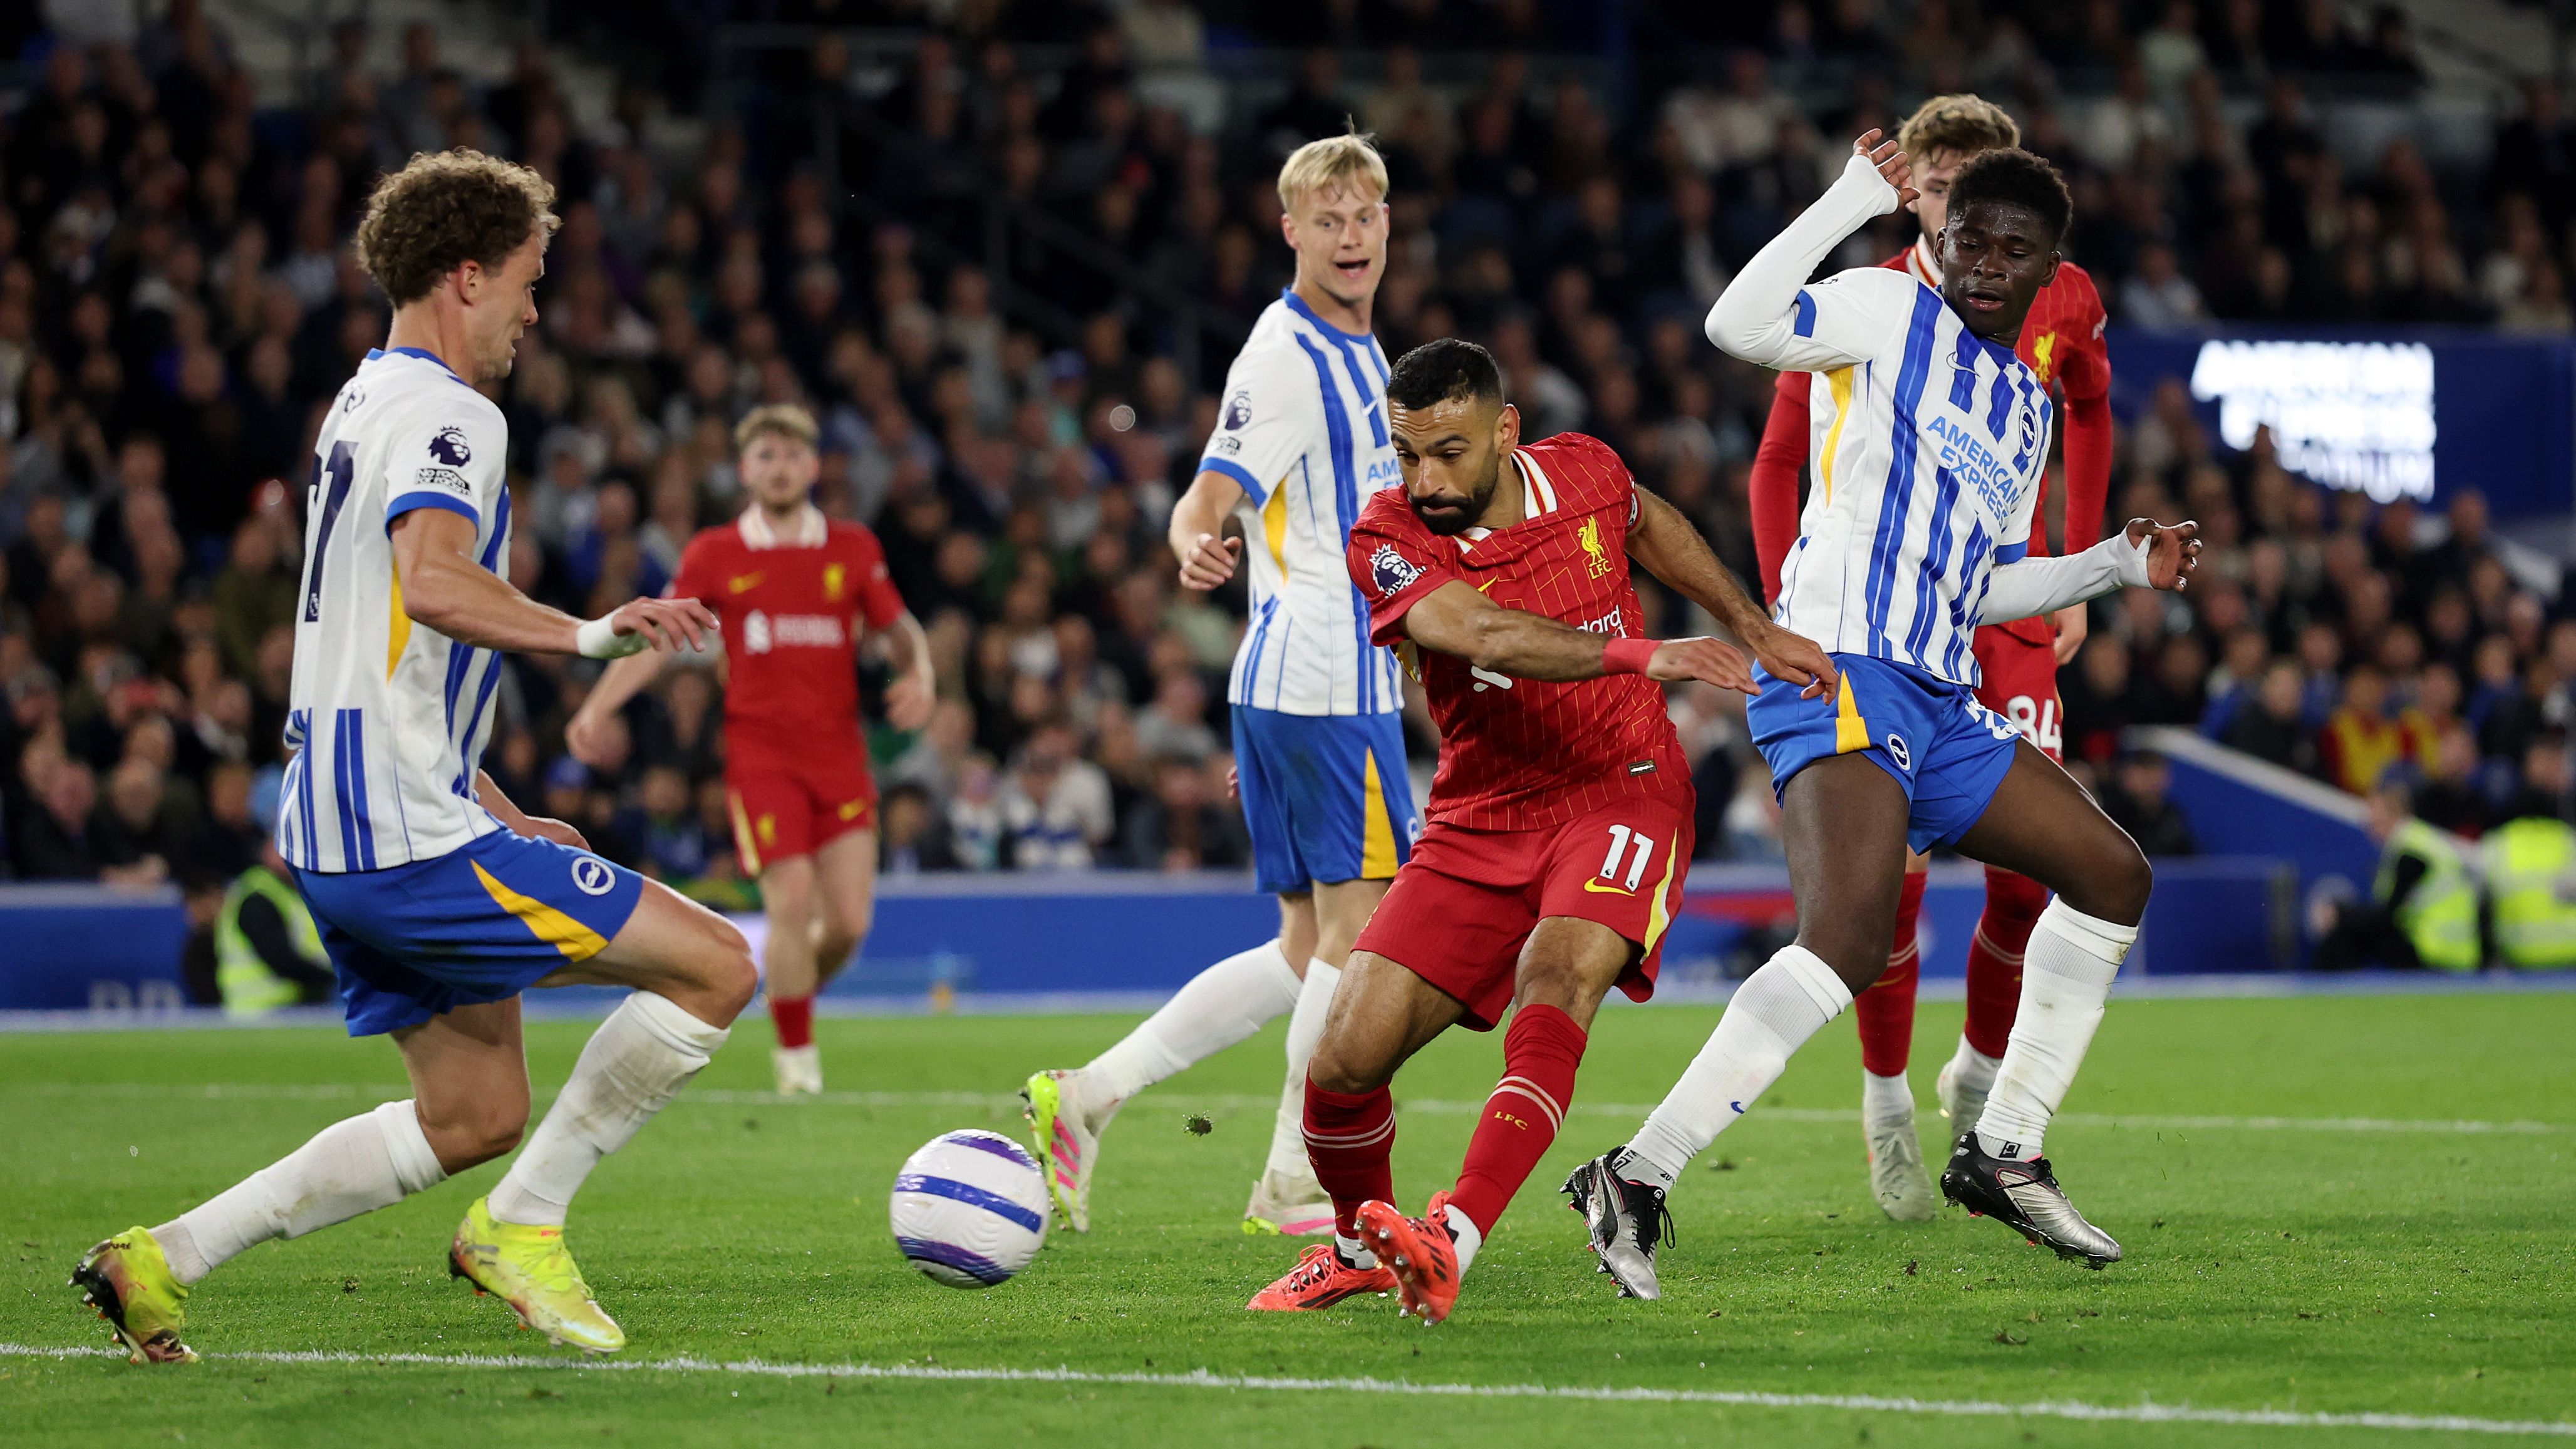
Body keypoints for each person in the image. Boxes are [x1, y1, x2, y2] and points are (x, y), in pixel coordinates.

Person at [71, 150, 754, 1366]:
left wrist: (495, 804)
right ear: (467, 276)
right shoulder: (454, 413)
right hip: (401, 837)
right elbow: (434, 584)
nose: (534, 314)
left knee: (475, 1109)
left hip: (341, 824)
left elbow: (370, 648)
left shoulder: (358, 403)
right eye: (528, 284)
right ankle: (521, 1228)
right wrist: (591, 632)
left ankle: (162, 1256)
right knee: (717, 965)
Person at [1565, 133, 2199, 1299]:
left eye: (2014, 249)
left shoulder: (2025, 407)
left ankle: (2004, 1146)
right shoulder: (1885, 308)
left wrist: (2112, 563)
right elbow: (1735, 323)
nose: (1987, 264)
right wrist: (1850, 199)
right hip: (1838, 663)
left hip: (1940, 693)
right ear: (1938, 243)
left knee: (2113, 875)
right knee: (1848, 940)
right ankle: (1635, 1172)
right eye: (1969, 241)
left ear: (2049, 268)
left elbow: (1985, 582)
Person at [1243, 337, 1835, 1323]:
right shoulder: (1385, 534)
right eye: (1407, 454)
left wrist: (1751, 622)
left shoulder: (1587, 471)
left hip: (1621, 788)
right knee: (1341, 1064)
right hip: (1480, 815)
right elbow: (1480, 632)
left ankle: (1453, 1237)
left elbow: (1649, 521)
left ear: (1505, 431)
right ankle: (1356, 1248)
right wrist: (1645, 653)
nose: (1426, 480)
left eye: (1449, 452)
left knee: (1556, 981)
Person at [1023, 131, 1420, 1239]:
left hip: (1307, 678)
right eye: (1328, 221)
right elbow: (1205, 493)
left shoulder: (1360, 348)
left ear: (1386, 225)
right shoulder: (1287, 355)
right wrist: (1190, 543)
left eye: (1365, 217)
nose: (1350, 237)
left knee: (1305, 946)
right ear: (1290, 232)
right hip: (1323, 674)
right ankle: (1294, 1180)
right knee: (1359, 931)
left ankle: (1088, 1094)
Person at [1742, 94, 2114, 1221]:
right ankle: (1884, 1098)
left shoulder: (2060, 295)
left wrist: (2080, 558)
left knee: (2035, 874)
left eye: (1977, 189)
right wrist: (1778, 606)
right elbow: (1775, 460)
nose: (1965, 215)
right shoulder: (1869, 306)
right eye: (1942, 191)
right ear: (1918, 203)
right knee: (1882, 890)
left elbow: (2088, 408)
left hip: (2001, 608)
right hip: (1876, 617)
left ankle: (1984, 1080)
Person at [567, 404, 933, 1095]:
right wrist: (598, 704)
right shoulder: (715, 553)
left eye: (792, 455)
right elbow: (659, 638)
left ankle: (787, 995)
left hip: (839, 757)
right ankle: (798, 1067)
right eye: (766, 456)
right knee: (789, 905)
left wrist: (921, 673)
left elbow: (899, 627)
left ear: (814, 466)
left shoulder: (852, 547)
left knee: (848, 924)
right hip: (762, 759)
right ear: (745, 470)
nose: (780, 468)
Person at [2314, 776, 2480, 971]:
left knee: (2347, 933)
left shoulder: (2412, 851)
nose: (2370, 827)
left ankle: (2327, 986)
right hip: (2444, 946)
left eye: (2376, 821)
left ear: (2395, 815)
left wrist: (2340, 913)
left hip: (2437, 948)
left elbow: (2387, 914)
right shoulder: (2417, 842)